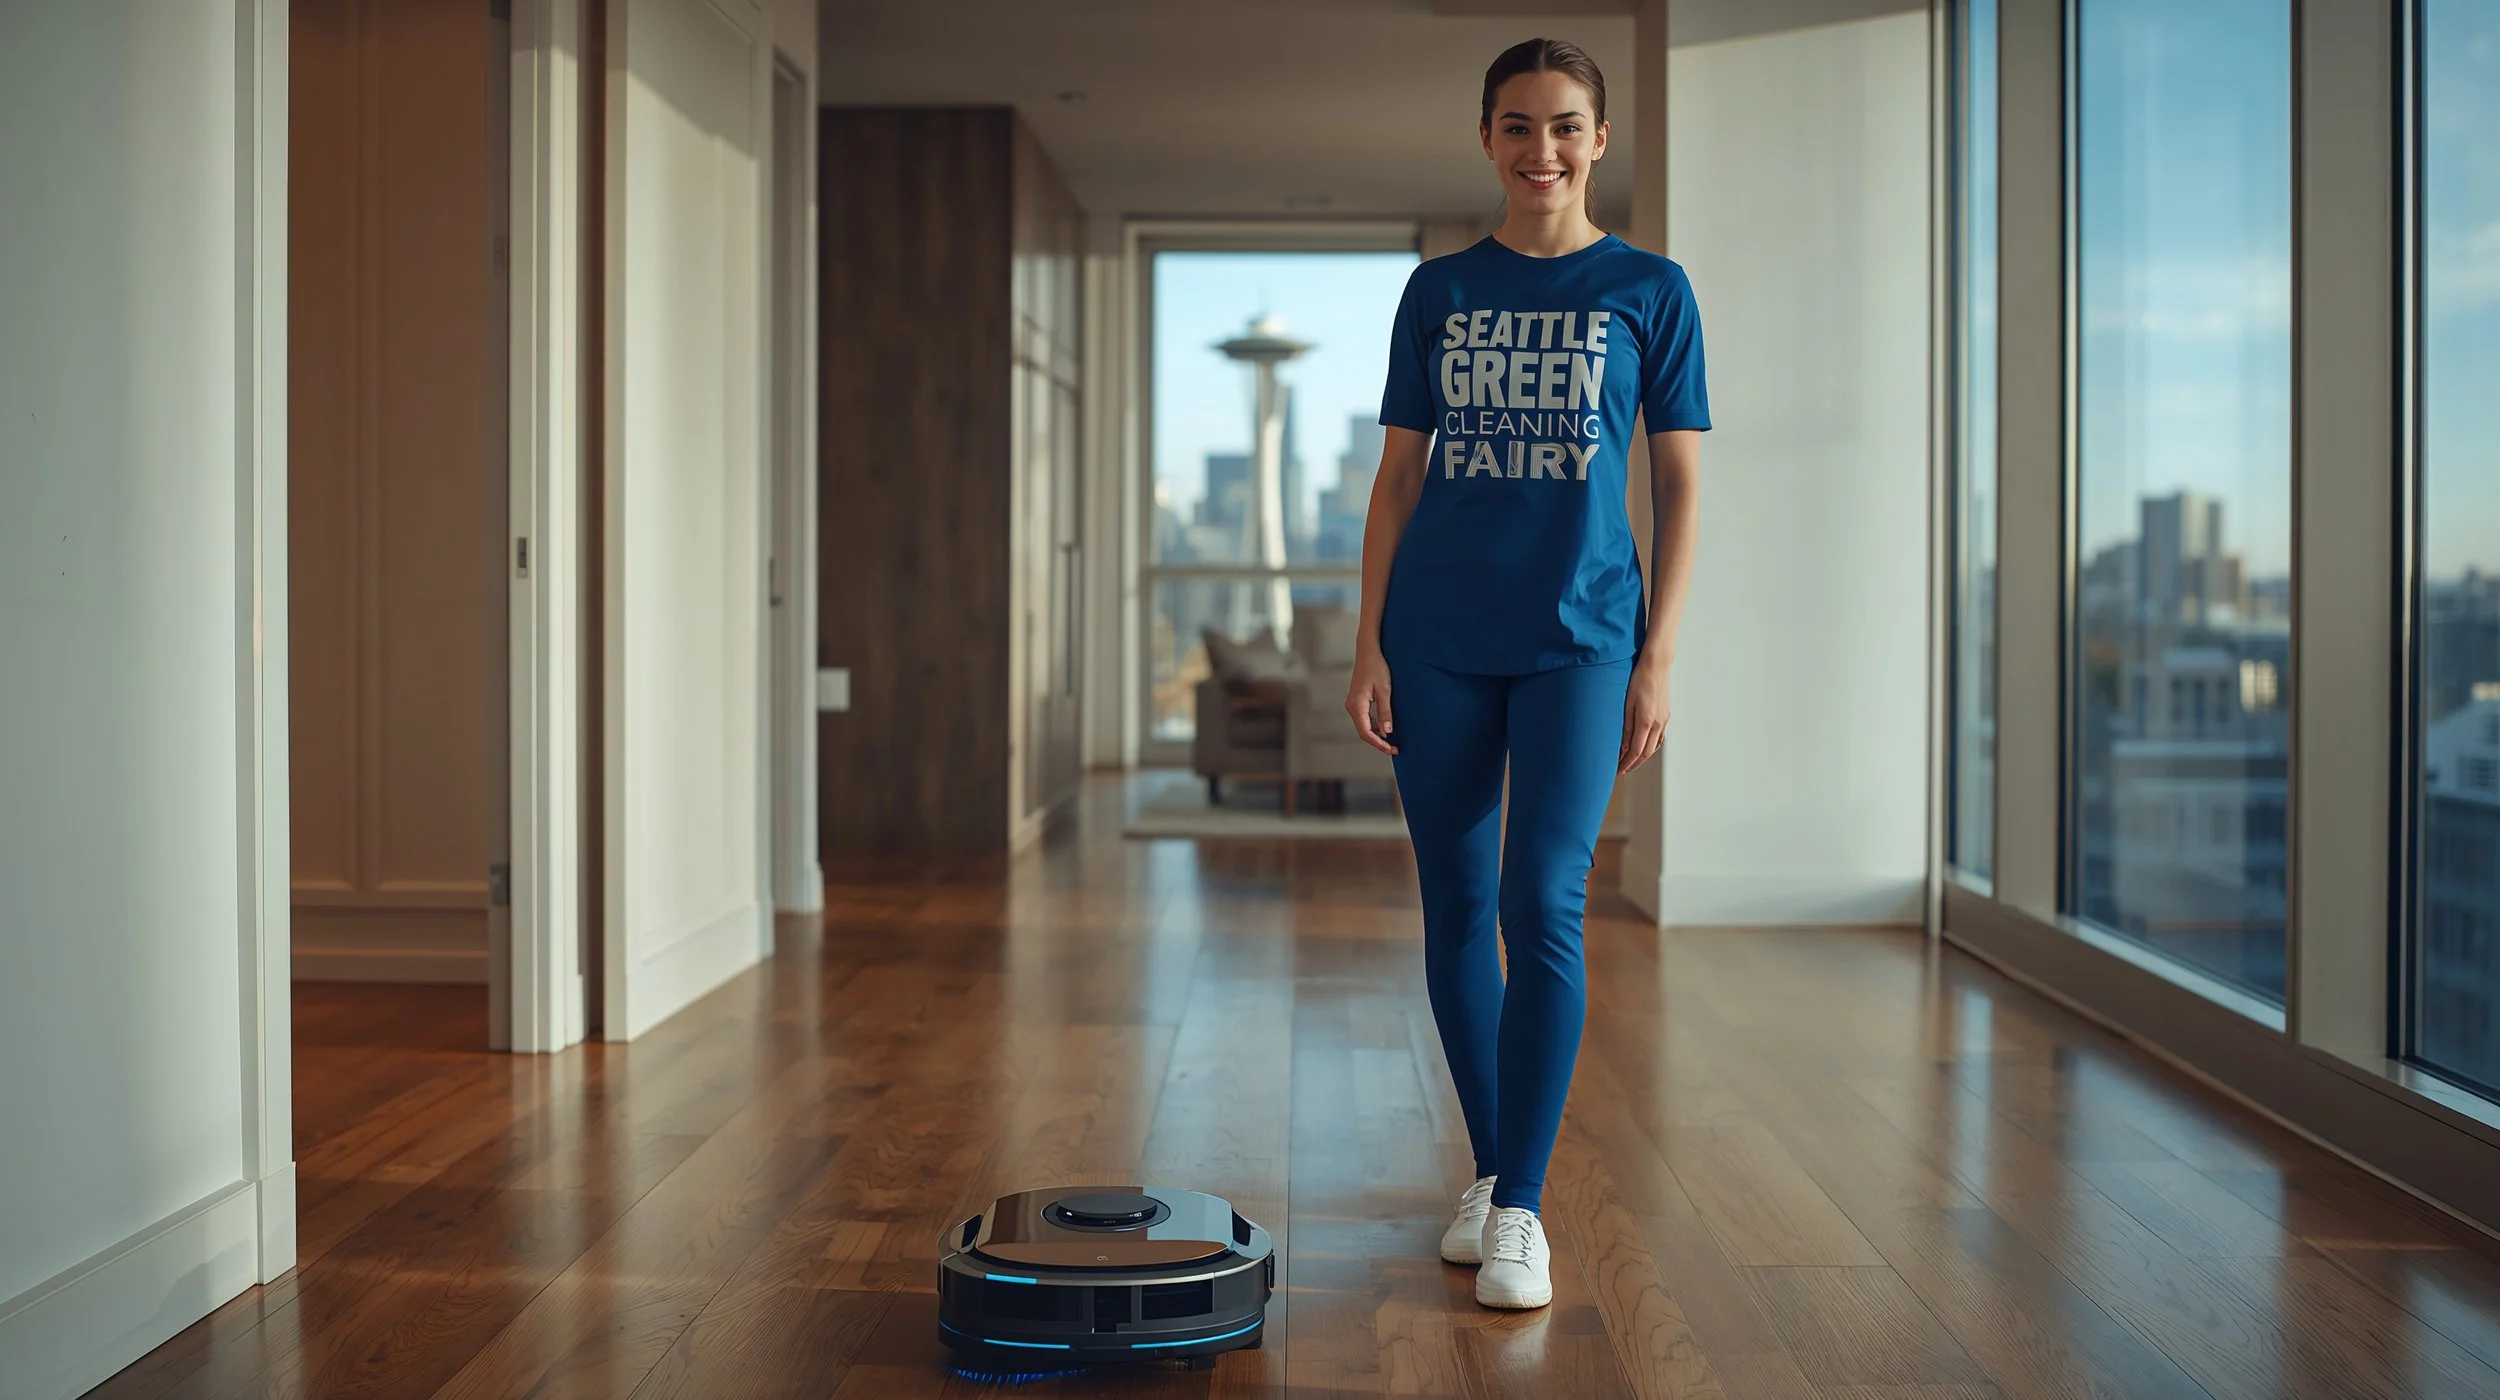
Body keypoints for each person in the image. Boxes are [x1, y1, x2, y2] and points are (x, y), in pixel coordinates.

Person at [1344, 36, 1709, 1311]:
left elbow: (1675, 482)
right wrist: (1368, 639)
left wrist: (1655, 655)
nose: (1539, 150)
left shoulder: (1651, 289)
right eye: (1515, 126)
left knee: (1540, 901)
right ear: (1486, 138)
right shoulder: (1435, 293)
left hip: (1580, 636)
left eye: (1563, 126)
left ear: (1598, 140)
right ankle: (1495, 1174)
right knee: (1453, 904)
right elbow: (1395, 482)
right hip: (1439, 634)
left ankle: (1524, 1209)